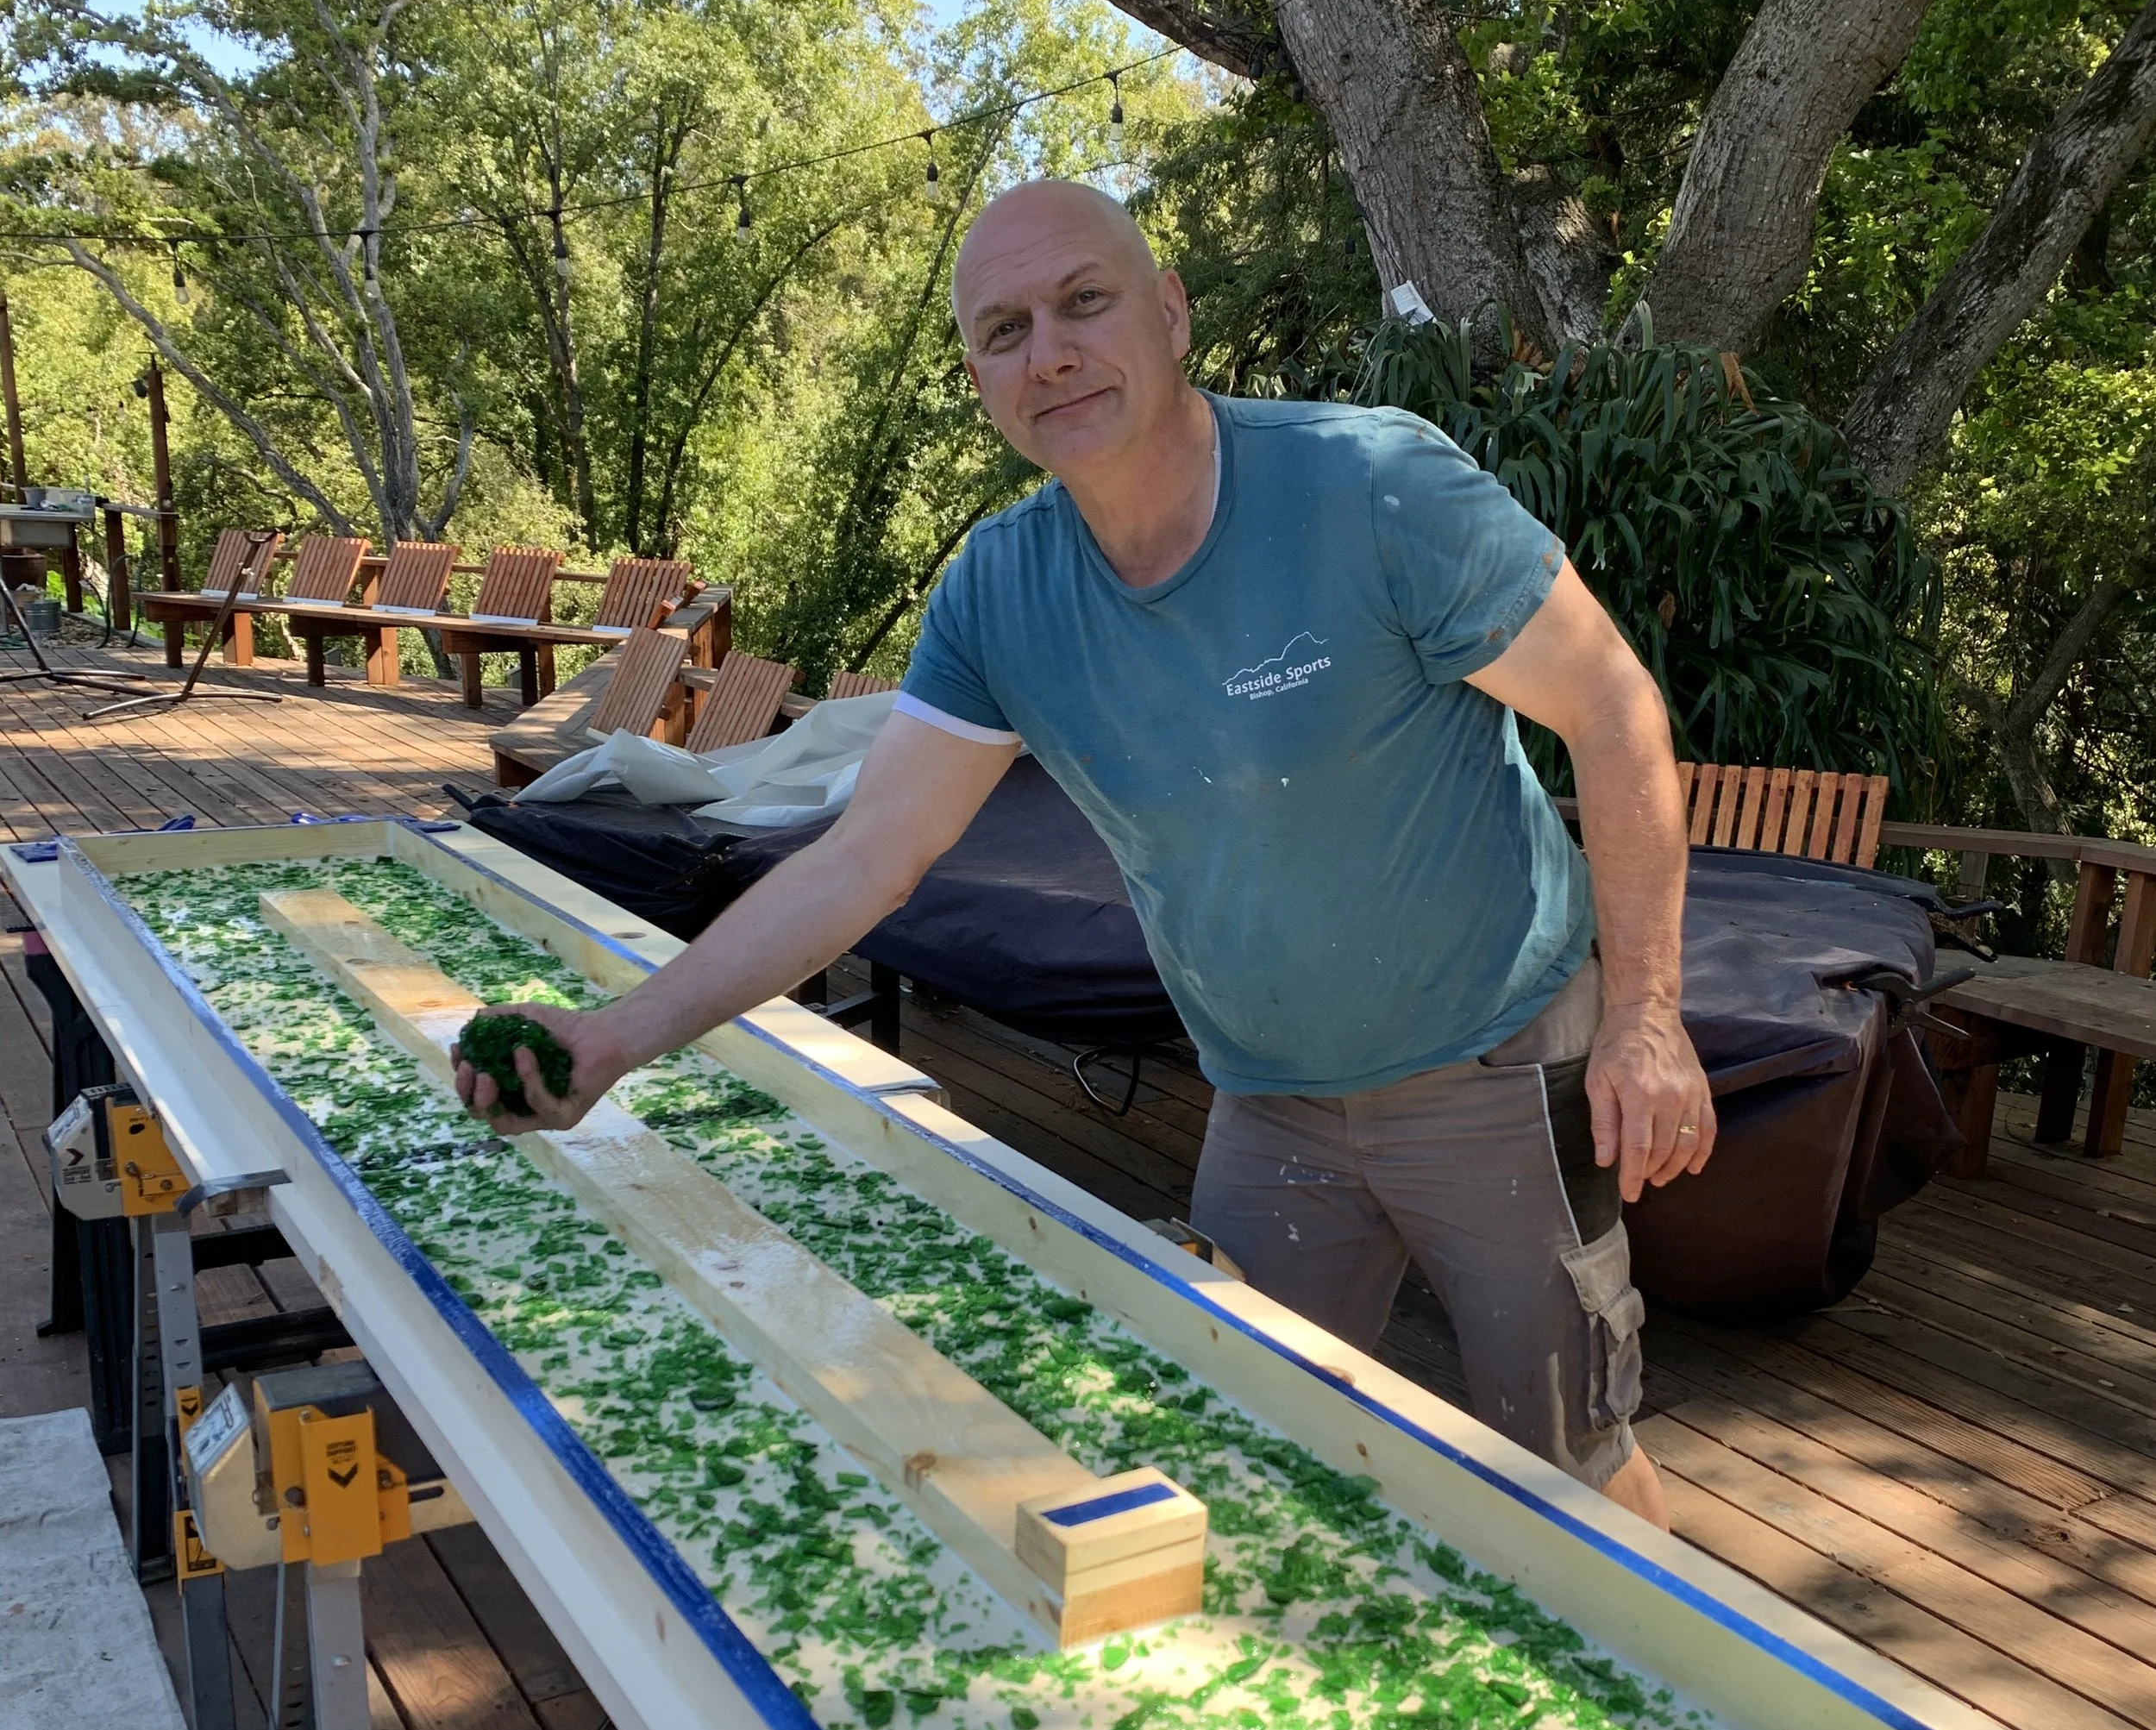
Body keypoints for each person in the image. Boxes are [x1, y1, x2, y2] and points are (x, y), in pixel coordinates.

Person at [457, 179, 1714, 1526]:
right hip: (1270, 1100)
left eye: (1084, 302)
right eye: (1005, 329)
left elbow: (1615, 708)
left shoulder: (1371, 483)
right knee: (1243, 1453)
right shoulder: (1001, 592)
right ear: (980, 377)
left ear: (1170, 314)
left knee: (1570, 1475)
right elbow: (864, 856)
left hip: (1498, 1065)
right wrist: (618, 1035)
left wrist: (1647, 1018)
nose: (1048, 351)